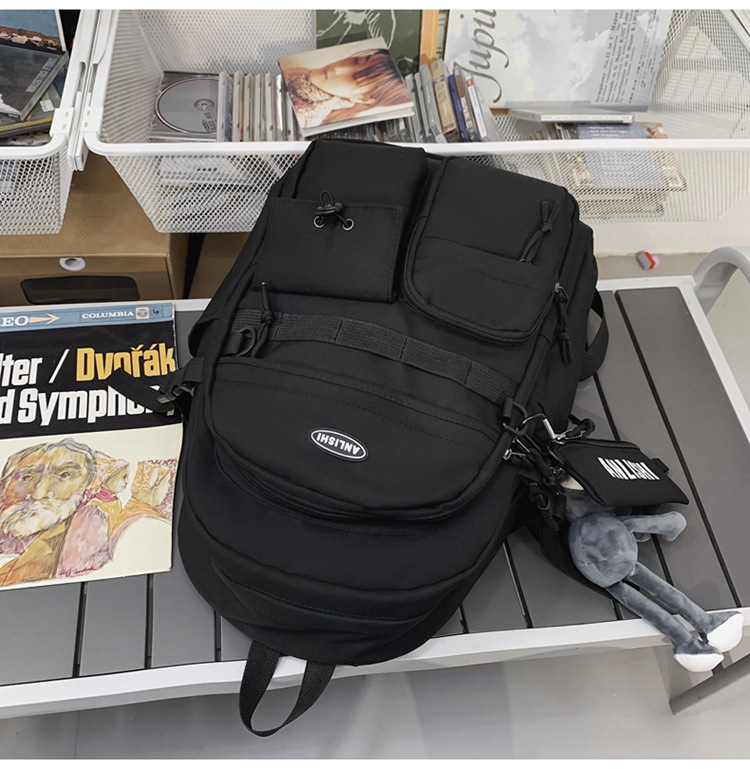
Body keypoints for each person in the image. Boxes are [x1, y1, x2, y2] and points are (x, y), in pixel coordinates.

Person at [0, 438, 96, 585]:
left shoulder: (79, 546)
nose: (39, 493)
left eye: (64, 475)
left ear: (87, 483)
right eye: (26, 477)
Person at [284, 48, 408, 130]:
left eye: (355, 78)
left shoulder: (306, 119)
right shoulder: (298, 70)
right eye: (356, 60)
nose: (336, 69)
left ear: (362, 98)